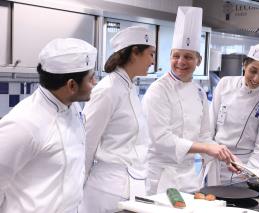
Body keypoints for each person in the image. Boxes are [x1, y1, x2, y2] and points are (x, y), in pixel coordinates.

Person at [142, 6, 238, 195]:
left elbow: (203, 135)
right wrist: (207, 148)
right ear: (169, 57)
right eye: (176, 56)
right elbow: (161, 139)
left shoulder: (199, 92)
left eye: (188, 57)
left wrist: (224, 155)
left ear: (198, 61)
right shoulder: (158, 90)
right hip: (161, 176)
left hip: (188, 177)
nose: (181, 62)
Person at [0, 38, 97, 213]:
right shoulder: (24, 124)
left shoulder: (72, 105)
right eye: (91, 78)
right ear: (71, 85)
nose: (95, 83)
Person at [79, 26, 156, 213]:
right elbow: (87, 143)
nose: (153, 61)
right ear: (135, 53)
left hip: (131, 186)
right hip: (106, 190)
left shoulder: (130, 88)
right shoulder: (107, 90)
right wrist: (77, 187)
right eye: (150, 54)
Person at [207, 44, 259, 184]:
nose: (256, 79)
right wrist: (209, 151)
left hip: (242, 168)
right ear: (244, 65)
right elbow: (211, 123)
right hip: (215, 161)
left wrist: (249, 172)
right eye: (253, 71)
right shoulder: (225, 84)